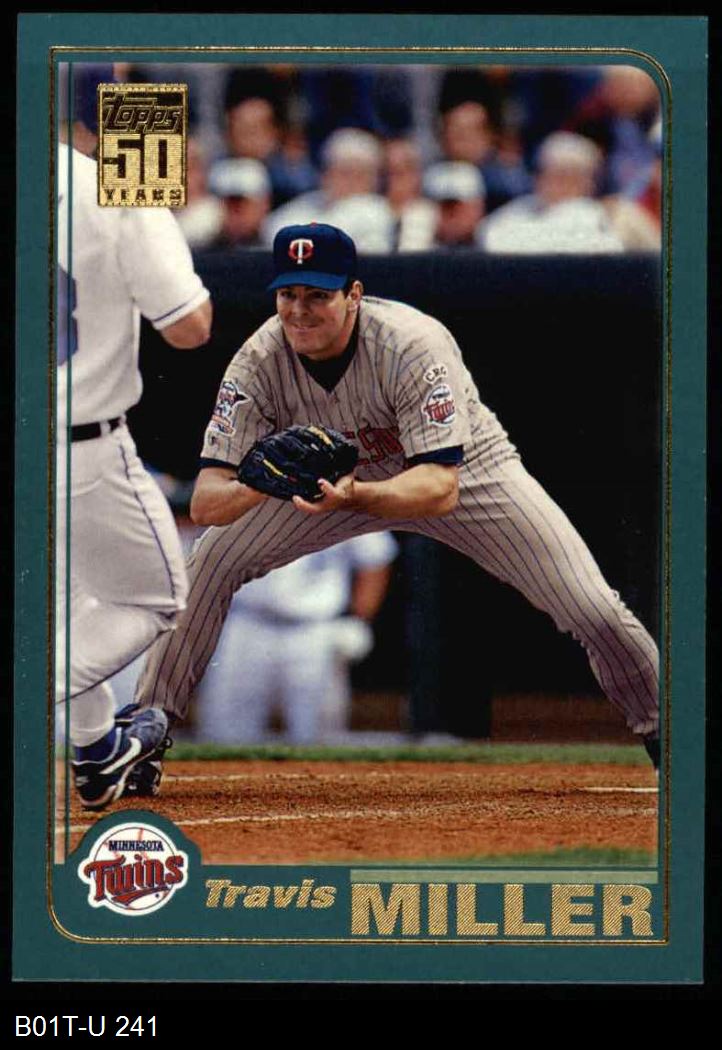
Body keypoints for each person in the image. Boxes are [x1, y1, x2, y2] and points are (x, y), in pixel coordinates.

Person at [127, 220, 659, 801]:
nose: (300, 311)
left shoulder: (411, 343)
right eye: (288, 294)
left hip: (464, 474)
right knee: (211, 561)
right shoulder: (258, 359)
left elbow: (440, 488)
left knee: (589, 605)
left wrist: (357, 494)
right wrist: (256, 482)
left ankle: (665, 730)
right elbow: (207, 502)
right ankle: (144, 731)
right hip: (331, 488)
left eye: (318, 295)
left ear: (354, 294)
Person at [57, 139, 212, 809]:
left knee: (69, 606)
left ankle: (97, 754)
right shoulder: (117, 178)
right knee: (158, 598)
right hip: (77, 446)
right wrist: (148, 202)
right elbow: (189, 327)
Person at [194, 533, 397, 744]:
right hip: (248, 622)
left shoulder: (344, 511)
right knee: (224, 732)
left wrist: (359, 619)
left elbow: (377, 557)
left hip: (314, 628)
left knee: (320, 734)